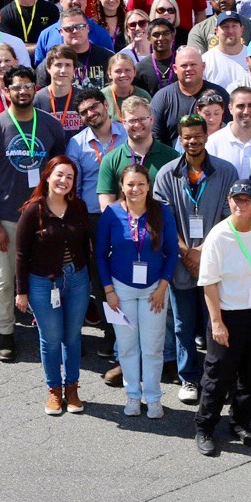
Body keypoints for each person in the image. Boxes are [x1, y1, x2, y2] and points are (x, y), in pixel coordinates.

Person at [0, 65, 69, 362]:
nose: (23, 91)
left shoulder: (50, 125)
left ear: (35, 88)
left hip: (44, 215)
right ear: (6, 91)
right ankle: (6, 333)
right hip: (8, 218)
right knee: (4, 280)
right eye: (16, 87)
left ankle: (51, 330)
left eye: (28, 86)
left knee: (49, 275)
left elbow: (61, 172)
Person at [151, 114, 238, 405]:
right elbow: (163, 220)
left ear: (206, 136)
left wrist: (203, 252)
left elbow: (231, 218)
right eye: (187, 136)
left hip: (214, 263)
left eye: (198, 135)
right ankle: (188, 377)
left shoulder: (226, 171)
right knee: (183, 324)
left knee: (217, 323)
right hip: (180, 263)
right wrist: (186, 252)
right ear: (180, 138)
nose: (193, 141)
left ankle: (217, 377)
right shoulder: (166, 174)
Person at [192, 179, 251, 455]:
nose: (241, 204)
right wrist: (216, 322)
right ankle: (204, 427)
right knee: (218, 375)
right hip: (229, 314)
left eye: (247, 200)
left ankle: (241, 422)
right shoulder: (218, 236)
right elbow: (209, 283)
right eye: (236, 199)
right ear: (229, 201)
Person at [91, 162, 178, 417]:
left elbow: (172, 253)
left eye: (141, 184)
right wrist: (108, 290)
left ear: (148, 186)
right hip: (121, 289)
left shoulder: (162, 212)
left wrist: (163, 287)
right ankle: (132, 396)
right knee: (127, 346)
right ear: (122, 186)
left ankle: (153, 397)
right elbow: (100, 256)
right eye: (130, 184)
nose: (135, 189)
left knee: (152, 347)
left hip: (154, 289)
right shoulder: (112, 213)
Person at [13, 156, 93, 414]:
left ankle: (72, 389)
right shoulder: (32, 210)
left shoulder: (78, 207)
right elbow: (21, 255)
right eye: (59, 175)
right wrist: (21, 292)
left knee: (72, 336)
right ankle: (54, 391)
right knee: (51, 338)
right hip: (42, 283)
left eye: (69, 177)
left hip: (77, 279)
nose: (64, 181)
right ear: (47, 176)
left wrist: (89, 278)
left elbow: (85, 247)